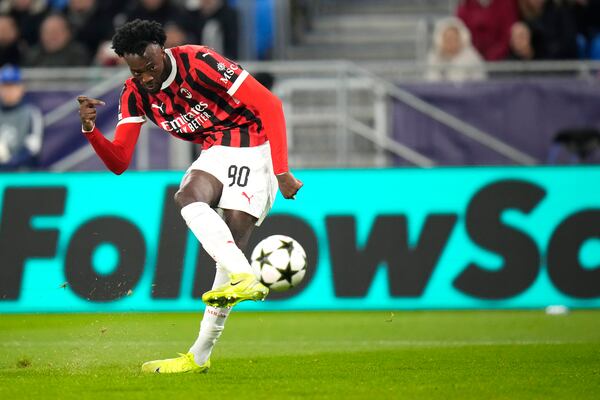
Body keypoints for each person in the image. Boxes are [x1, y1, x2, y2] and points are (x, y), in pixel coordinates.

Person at [77, 19, 303, 374]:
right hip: (216, 149)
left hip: (254, 144)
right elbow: (120, 161)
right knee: (188, 196)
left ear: (161, 49)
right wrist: (90, 130)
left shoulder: (199, 62)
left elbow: (270, 105)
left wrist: (281, 170)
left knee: (231, 244)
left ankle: (198, 354)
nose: (146, 77)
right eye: (137, 71)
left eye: (150, 66)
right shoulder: (134, 94)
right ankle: (246, 279)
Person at [0, 65, 44, 170]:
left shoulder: (31, 114)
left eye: (12, 86)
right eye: (5, 86)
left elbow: (33, 147)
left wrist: (10, 160)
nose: (8, 91)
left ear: (21, 88)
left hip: (21, 175)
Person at [425, 17, 486, 82]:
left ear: (462, 39)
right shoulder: (434, 57)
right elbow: (431, 81)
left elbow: (479, 82)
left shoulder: (472, 57)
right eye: (447, 39)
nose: (450, 42)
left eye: (454, 39)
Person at [24, 13, 90, 67]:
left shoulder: (78, 54)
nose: (51, 36)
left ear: (68, 33)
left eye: (55, 32)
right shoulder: (32, 55)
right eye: (47, 32)